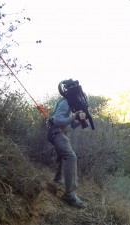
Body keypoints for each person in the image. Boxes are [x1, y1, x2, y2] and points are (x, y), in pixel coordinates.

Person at [47, 80, 87, 208]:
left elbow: (72, 124)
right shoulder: (65, 103)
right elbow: (58, 120)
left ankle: (58, 178)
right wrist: (73, 117)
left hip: (60, 132)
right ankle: (69, 195)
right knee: (70, 156)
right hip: (56, 132)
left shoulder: (69, 104)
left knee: (62, 154)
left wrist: (80, 120)